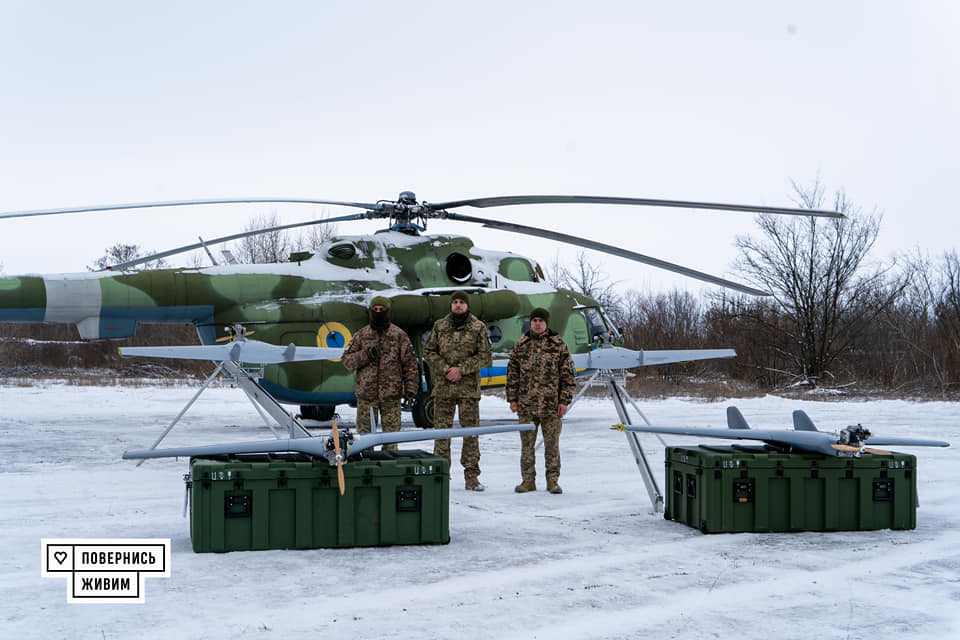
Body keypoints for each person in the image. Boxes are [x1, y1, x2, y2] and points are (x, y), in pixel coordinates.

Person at [423, 291, 493, 491]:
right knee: (442, 434)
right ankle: (440, 476)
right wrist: (446, 369)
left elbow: (485, 355)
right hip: (443, 389)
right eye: (455, 302)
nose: (458, 305)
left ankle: (472, 477)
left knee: (470, 434)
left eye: (462, 302)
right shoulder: (440, 326)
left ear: (467, 305)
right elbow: (428, 351)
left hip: (468, 390)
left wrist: (462, 370)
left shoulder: (478, 327)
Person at [506, 307, 576, 494]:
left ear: (546, 323)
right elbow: (512, 373)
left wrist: (564, 401)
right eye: (534, 320)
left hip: (551, 406)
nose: (537, 323)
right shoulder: (521, 344)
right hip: (526, 405)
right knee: (526, 446)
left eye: (541, 320)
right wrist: (513, 398)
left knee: (552, 445)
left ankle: (552, 481)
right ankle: (528, 480)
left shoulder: (558, 345)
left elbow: (568, 376)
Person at [341, 296, 419, 451]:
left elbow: (410, 364)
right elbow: (347, 361)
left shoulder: (399, 335)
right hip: (366, 398)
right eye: (375, 310)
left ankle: (389, 470)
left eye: (381, 310)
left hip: (391, 397)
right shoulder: (361, 335)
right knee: (364, 440)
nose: (378, 312)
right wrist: (366, 354)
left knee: (391, 440)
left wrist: (411, 389)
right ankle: (366, 470)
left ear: (388, 312)